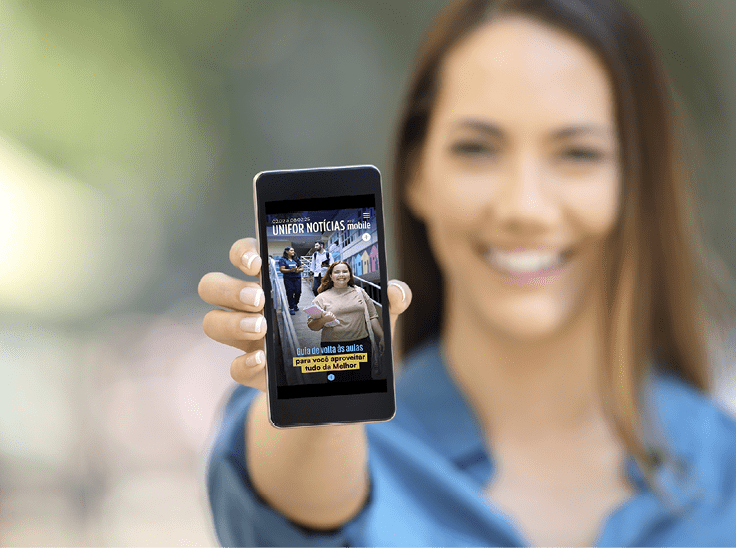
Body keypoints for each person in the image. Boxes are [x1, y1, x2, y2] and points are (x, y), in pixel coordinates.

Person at [198, 0, 736, 545]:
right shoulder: (337, 443)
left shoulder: (723, 467)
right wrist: (314, 393)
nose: (524, 206)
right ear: (416, 173)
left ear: (636, 181)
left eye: (578, 153)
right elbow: (299, 499)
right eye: (476, 149)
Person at [307, 261, 385, 382]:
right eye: (337, 272)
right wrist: (323, 319)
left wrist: (382, 337)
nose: (341, 275)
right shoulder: (321, 298)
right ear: (331, 276)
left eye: (345, 271)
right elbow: (312, 326)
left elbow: (372, 316)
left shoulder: (360, 292)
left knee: (363, 381)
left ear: (350, 274)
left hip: (361, 344)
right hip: (333, 348)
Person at [278, 247, 303, 315]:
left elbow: (301, 268)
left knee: (298, 292)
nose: (293, 252)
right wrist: (290, 270)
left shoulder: (296, 259)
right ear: (287, 251)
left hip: (297, 277)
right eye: (291, 250)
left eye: (293, 250)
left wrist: (298, 270)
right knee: (290, 292)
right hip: (288, 278)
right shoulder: (282, 260)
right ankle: (291, 307)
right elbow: (282, 270)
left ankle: (295, 304)